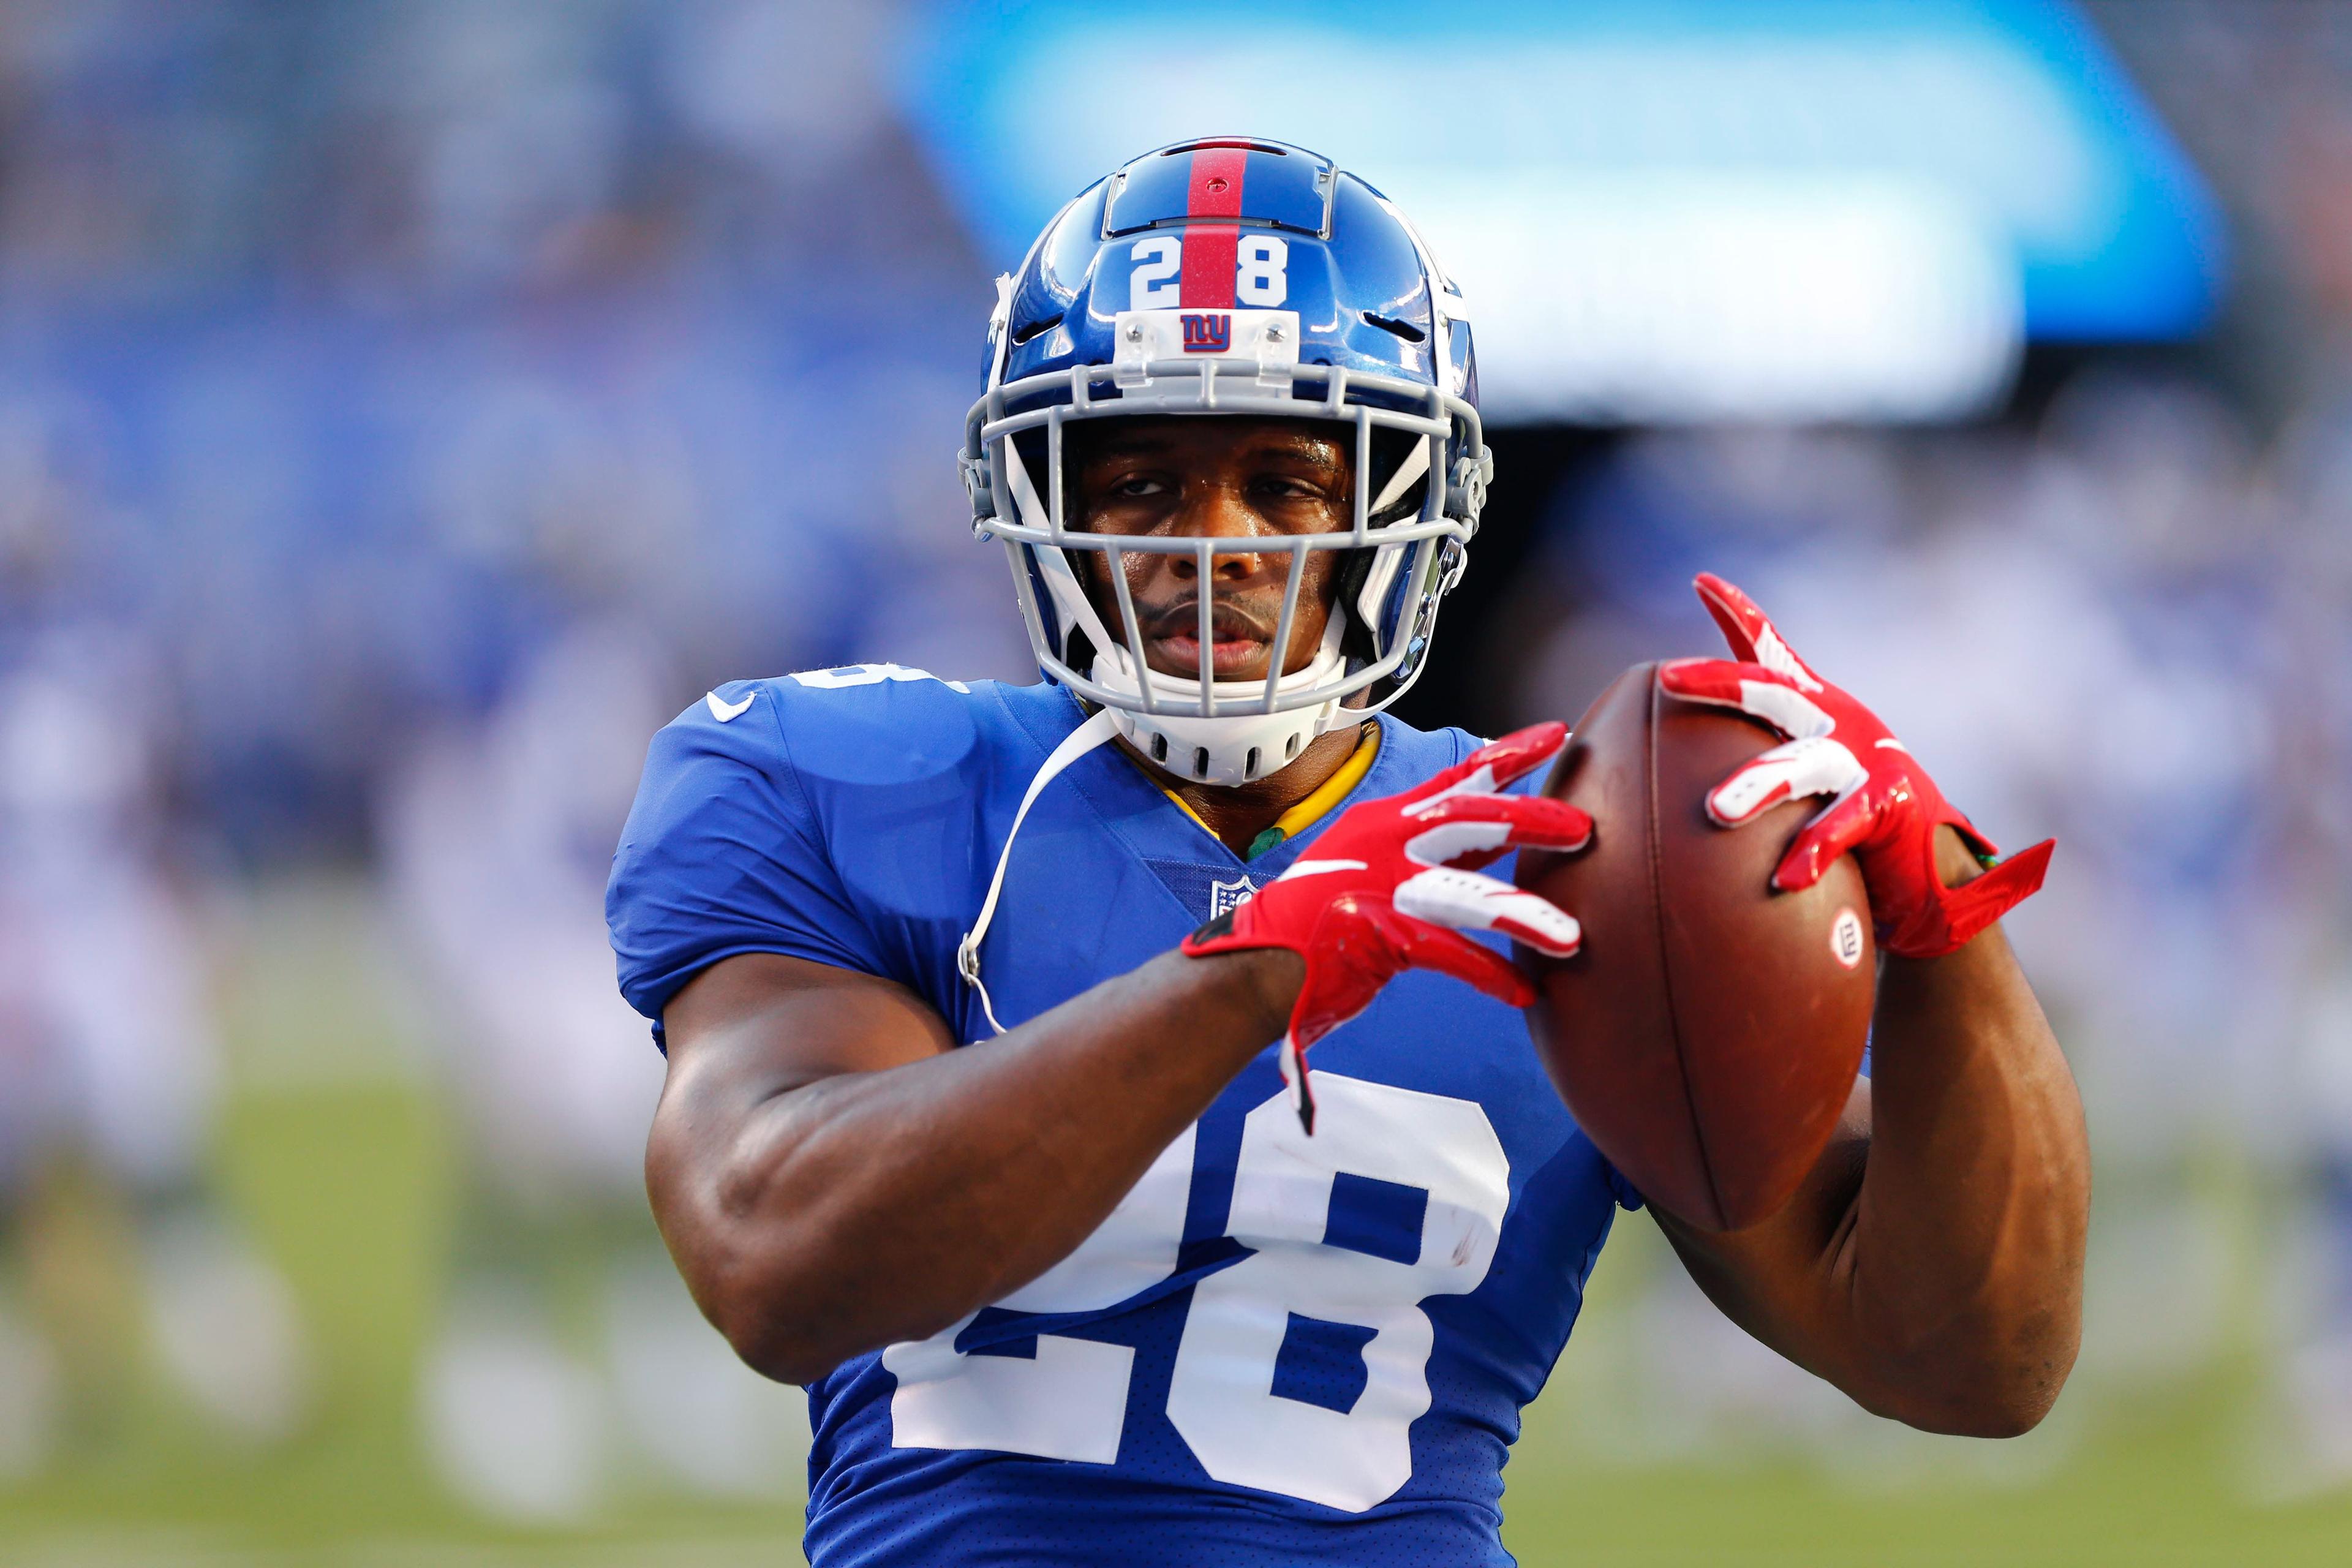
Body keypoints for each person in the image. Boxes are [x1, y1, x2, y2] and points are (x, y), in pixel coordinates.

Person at [605, 138, 2089, 1566]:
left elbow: (1972, 1359)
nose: (1220, 541)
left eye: (1287, 481)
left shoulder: (1564, 861)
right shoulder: (855, 780)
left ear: (1412, 503)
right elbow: (774, 1254)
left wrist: (1945, 920)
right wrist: (1251, 978)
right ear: (1035, 503)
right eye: (1139, 484)